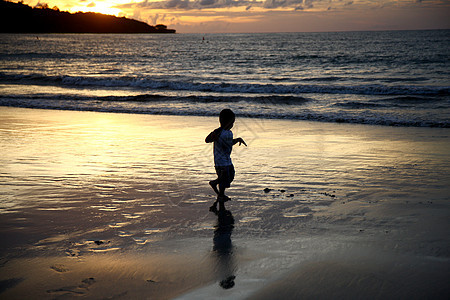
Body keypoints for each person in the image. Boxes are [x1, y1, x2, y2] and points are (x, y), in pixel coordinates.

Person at [205, 109, 246, 211]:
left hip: (227, 160)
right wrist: (212, 136)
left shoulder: (229, 133)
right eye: (232, 122)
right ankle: (221, 194)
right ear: (226, 122)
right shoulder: (218, 132)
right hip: (220, 161)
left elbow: (229, 143)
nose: (233, 124)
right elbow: (207, 140)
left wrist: (237, 140)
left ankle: (216, 184)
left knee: (230, 175)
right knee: (223, 177)